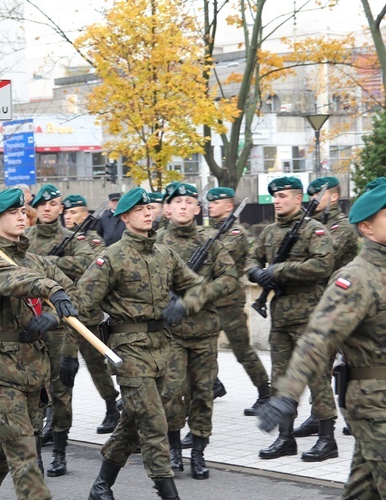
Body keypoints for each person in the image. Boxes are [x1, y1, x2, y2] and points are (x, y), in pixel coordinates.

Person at [257, 183, 386, 499]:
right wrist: (288, 394)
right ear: (367, 227)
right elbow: (318, 337)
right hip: (375, 403)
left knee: (364, 489)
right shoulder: (357, 278)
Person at [78, 187, 206, 500]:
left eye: (149, 208)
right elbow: (82, 303)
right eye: (139, 209)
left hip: (163, 346)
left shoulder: (164, 253)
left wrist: (184, 305)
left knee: (133, 422)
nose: (148, 213)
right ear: (123, 217)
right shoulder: (110, 257)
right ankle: (168, 492)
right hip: (129, 350)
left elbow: (198, 287)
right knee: (154, 423)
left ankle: (101, 485)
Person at [0, 188, 78, 500]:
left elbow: (72, 292)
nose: (21, 217)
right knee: (25, 455)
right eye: (12, 213)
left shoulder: (34, 260)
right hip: (2, 371)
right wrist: (50, 289)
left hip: (35, 368)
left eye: (22, 212)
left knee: (11, 444)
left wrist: (55, 315)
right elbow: (16, 280)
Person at [247, 176, 336, 461]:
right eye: (275, 196)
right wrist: (256, 273)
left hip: (310, 316)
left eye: (283, 195)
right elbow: (252, 258)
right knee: (279, 378)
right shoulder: (269, 232)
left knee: (317, 377)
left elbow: (322, 265)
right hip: (281, 316)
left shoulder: (314, 230)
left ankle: (327, 439)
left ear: (298, 199)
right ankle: (285, 438)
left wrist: (278, 271)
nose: (277, 200)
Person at [156, 183, 238, 480]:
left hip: (203, 331)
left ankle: (199, 453)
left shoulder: (210, 241)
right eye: (176, 201)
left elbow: (229, 279)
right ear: (167, 208)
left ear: (196, 209)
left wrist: (194, 297)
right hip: (171, 334)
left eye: (189, 201)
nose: (182, 206)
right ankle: (175, 450)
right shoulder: (156, 242)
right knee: (170, 394)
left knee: (202, 395)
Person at [25, 184, 94, 477]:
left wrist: (50, 262)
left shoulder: (73, 238)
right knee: (32, 392)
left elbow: (86, 263)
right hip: (29, 323)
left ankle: (61, 452)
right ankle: (36, 450)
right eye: (42, 205)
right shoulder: (25, 238)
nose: (48, 209)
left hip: (60, 326)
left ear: (60, 207)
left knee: (61, 391)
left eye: (53, 204)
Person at [293, 176, 361, 438]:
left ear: (333, 197)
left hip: (343, 305)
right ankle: (318, 415)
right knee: (320, 366)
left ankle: (354, 414)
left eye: (317, 196)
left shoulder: (340, 228)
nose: (312, 201)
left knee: (351, 364)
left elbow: (320, 259)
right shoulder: (314, 225)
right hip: (321, 303)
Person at [206, 187, 270, 417]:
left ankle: (265, 392)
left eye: (216, 202)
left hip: (229, 303)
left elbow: (218, 259)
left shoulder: (236, 234)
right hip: (209, 302)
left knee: (243, 351)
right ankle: (213, 385)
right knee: (203, 350)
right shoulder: (208, 232)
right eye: (209, 202)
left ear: (229, 206)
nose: (210, 205)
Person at [60, 194, 120, 436]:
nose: (68, 216)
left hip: (87, 315)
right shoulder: (63, 240)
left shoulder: (94, 241)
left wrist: (57, 262)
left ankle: (111, 406)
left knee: (97, 366)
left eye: (73, 212)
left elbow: (91, 266)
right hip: (60, 314)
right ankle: (55, 419)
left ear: (85, 215)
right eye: (66, 212)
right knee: (61, 369)